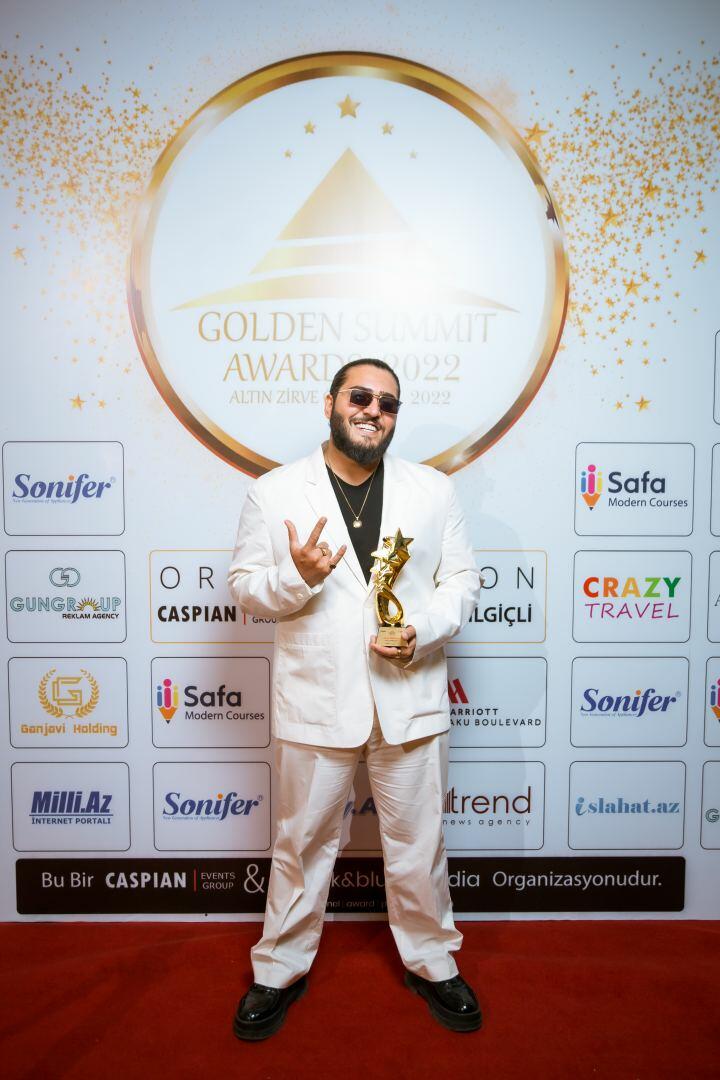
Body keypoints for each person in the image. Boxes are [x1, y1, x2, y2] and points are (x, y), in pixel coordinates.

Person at [228, 358, 483, 1039]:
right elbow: (246, 587)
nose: (373, 411)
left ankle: (432, 961)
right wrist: (296, 576)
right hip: (317, 699)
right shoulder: (275, 492)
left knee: (419, 843)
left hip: (410, 693)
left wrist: (422, 630)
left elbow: (461, 580)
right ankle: (279, 969)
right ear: (331, 403)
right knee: (301, 842)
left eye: (388, 403)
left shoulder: (433, 490)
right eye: (360, 397)